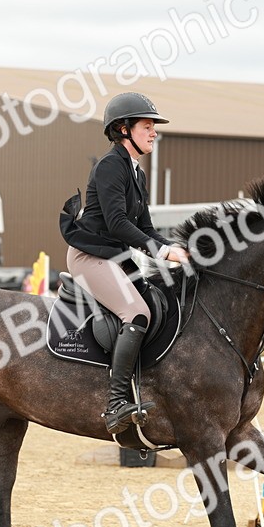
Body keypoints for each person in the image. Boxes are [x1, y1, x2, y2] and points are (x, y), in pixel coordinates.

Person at [61, 92, 191, 433]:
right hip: (90, 256)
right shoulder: (109, 166)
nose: (153, 133)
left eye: (153, 127)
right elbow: (118, 223)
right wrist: (161, 252)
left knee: (158, 303)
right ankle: (116, 403)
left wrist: (175, 249)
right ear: (123, 129)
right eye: (147, 126)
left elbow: (145, 228)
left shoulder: (137, 173)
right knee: (137, 313)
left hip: (116, 257)